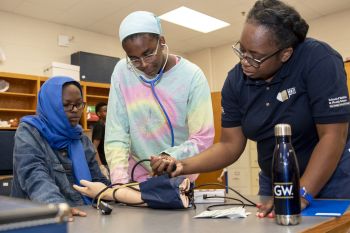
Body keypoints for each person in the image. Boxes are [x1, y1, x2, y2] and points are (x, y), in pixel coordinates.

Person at [151, 0, 350, 218]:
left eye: (255, 56)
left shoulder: (319, 60)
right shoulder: (236, 81)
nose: (244, 61)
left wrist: (300, 194)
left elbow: (333, 135)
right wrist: (182, 165)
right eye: (242, 50)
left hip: (330, 177)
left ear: (285, 54)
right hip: (275, 179)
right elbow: (230, 144)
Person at [105, 11, 214, 184]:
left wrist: (170, 157)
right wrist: (119, 182)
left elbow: (203, 138)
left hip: (178, 172)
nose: (143, 64)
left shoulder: (192, 76)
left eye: (148, 54)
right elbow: (116, 132)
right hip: (135, 175)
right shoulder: (122, 71)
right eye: (134, 59)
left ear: (162, 42)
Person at [11, 77, 110, 220]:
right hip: (37, 218)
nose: (75, 110)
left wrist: (116, 194)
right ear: (51, 105)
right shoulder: (29, 131)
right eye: (67, 105)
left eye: (79, 104)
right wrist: (57, 206)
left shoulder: (80, 137)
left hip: (85, 215)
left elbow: (97, 180)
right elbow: (34, 175)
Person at [92, 102, 109, 178]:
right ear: (98, 114)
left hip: (108, 162)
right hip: (103, 163)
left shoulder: (106, 125)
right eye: (105, 111)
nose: (108, 112)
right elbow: (94, 147)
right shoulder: (100, 125)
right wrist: (101, 166)